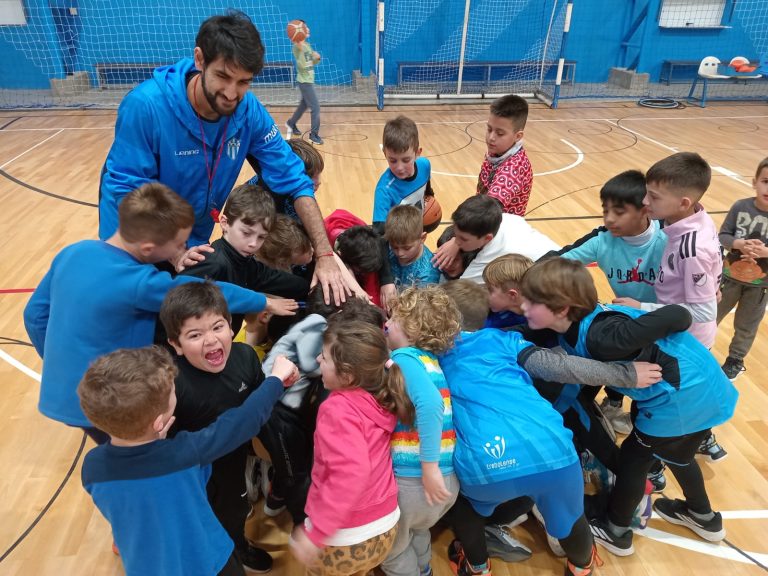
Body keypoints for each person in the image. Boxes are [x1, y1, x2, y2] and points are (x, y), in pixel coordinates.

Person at [97, 11, 348, 303]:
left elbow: (295, 180)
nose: (232, 93)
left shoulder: (248, 111)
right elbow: (127, 195)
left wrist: (325, 254)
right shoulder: (146, 107)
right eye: (223, 77)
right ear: (200, 59)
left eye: (243, 82)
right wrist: (174, 251)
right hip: (139, 242)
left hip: (194, 242)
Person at [23, 183, 295, 444]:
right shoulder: (139, 282)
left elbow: (34, 315)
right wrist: (262, 302)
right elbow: (201, 291)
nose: (184, 250)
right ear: (149, 249)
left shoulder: (74, 252)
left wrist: (62, 362)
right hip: (114, 396)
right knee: (139, 460)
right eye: (178, 245)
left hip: (61, 392)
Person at [438, 279, 661, 576]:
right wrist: (624, 375)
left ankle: (476, 566)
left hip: (487, 463)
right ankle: (581, 567)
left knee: (462, 510)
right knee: (572, 521)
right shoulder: (505, 340)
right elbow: (560, 367)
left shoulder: (432, 355)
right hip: (555, 453)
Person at [519, 258, 738, 558]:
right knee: (679, 457)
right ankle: (703, 517)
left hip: (682, 399)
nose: (523, 307)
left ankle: (616, 529)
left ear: (562, 308)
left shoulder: (604, 338)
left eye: (531, 302)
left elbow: (677, 313)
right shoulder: (577, 325)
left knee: (636, 458)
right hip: (704, 391)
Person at [79, 345, 299, 576]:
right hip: (210, 562)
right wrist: (275, 378)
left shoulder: (93, 468)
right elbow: (242, 421)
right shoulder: (184, 454)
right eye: (173, 392)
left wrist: (153, 438)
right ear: (158, 422)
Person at [612, 152, 727, 462]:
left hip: (684, 341)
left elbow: (703, 312)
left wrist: (642, 306)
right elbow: (718, 261)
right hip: (675, 327)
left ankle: (660, 464)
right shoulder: (692, 219)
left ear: (684, 203)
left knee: (658, 406)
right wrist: (714, 286)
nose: (645, 201)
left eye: (654, 196)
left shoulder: (692, 249)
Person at [160, 282, 278, 572]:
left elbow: (261, 404)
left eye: (218, 327)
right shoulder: (172, 386)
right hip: (195, 473)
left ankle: (237, 544)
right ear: (175, 345)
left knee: (234, 509)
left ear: (230, 324)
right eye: (195, 335)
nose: (211, 341)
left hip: (233, 463)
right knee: (204, 521)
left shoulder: (246, 358)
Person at [545, 170, 667, 436]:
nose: (609, 218)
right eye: (605, 210)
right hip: (627, 324)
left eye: (619, 211)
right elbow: (554, 261)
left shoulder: (670, 240)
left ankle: (693, 430)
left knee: (659, 391)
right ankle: (612, 402)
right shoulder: (603, 240)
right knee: (607, 349)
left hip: (666, 323)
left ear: (645, 209)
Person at [289, 321, 413, 575]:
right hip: (386, 526)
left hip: (346, 537)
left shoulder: (337, 409)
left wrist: (317, 533)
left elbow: (351, 473)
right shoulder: (381, 397)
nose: (317, 359)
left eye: (323, 357)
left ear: (347, 375)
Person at [259, 292, 384, 525]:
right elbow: (310, 362)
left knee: (301, 461)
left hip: (295, 407)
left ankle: (278, 494)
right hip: (275, 409)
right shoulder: (317, 327)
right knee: (294, 472)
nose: (321, 359)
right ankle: (299, 519)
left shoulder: (332, 333)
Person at [381, 286, 462, 576]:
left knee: (391, 550)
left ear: (412, 330)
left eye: (394, 318)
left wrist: (428, 468)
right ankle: (424, 569)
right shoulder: (431, 363)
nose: (386, 324)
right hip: (445, 481)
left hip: (414, 482)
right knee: (417, 531)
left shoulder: (404, 359)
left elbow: (430, 404)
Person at [179, 183, 309, 336]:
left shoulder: (244, 260)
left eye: (261, 237)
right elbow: (181, 303)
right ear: (225, 223)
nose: (254, 243)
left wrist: (311, 287)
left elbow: (271, 277)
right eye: (246, 233)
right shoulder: (213, 262)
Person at [715, 156, 768, 380]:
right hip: (729, 278)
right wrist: (739, 244)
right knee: (711, 314)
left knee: (746, 325)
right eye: (766, 181)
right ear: (754, 181)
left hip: (760, 286)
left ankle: (735, 359)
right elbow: (723, 236)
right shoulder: (741, 206)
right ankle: (700, 345)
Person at [433, 195, 559, 282]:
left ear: (487, 239)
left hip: (552, 276)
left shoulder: (487, 259)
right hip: (562, 256)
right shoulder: (504, 218)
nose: (457, 242)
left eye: (463, 239)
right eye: (456, 235)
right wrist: (455, 240)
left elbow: (458, 293)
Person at [373, 115, 435, 235]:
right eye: (393, 160)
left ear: (418, 153)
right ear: (384, 153)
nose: (399, 168)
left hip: (417, 236)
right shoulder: (384, 190)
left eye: (406, 160)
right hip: (397, 246)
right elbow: (379, 234)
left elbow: (428, 190)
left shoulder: (425, 165)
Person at [476, 94, 533, 216]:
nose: (491, 138)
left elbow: (487, 211)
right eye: (489, 129)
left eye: (500, 133)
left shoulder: (513, 170)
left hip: (500, 229)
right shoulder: (497, 152)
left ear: (518, 136)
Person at [285, 19, 323, 145]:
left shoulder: (306, 46)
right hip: (304, 82)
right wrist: (303, 51)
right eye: (305, 27)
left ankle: (291, 123)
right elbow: (301, 65)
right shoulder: (297, 48)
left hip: (308, 80)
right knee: (316, 108)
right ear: (299, 31)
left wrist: (317, 58)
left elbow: (310, 63)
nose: (308, 29)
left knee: (304, 105)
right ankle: (314, 135)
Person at [384, 205, 441, 288]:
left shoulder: (429, 272)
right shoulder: (386, 247)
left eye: (407, 248)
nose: (400, 253)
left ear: (422, 238)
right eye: (394, 247)